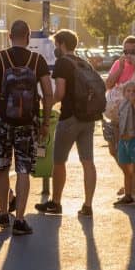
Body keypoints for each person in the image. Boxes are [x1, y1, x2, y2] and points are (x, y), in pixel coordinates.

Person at [0, 20, 52, 235]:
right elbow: (48, 93)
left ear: (9, 36)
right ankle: (20, 220)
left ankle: (3, 212)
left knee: (1, 167)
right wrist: (45, 122)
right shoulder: (37, 60)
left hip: (2, 122)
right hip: (27, 123)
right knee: (23, 169)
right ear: (28, 37)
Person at [35, 29, 102, 217]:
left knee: (59, 161)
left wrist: (50, 102)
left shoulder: (63, 63)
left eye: (56, 44)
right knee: (88, 162)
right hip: (88, 119)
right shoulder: (84, 63)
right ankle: (88, 205)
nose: (55, 48)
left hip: (69, 118)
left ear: (62, 44)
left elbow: (60, 93)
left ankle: (56, 202)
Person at [104, 36, 135, 199]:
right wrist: (119, 69)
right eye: (126, 51)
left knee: (130, 154)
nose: (128, 55)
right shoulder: (118, 64)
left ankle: (131, 192)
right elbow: (108, 84)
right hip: (116, 115)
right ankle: (129, 180)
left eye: (132, 52)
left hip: (134, 117)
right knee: (113, 150)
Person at [113, 81, 135, 208]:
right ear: (124, 92)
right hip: (123, 141)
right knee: (127, 171)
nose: (131, 93)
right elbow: (117, 122)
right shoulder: (121, 104)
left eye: (134, 91)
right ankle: (128, 195)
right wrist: (117, 142)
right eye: (128, 91)